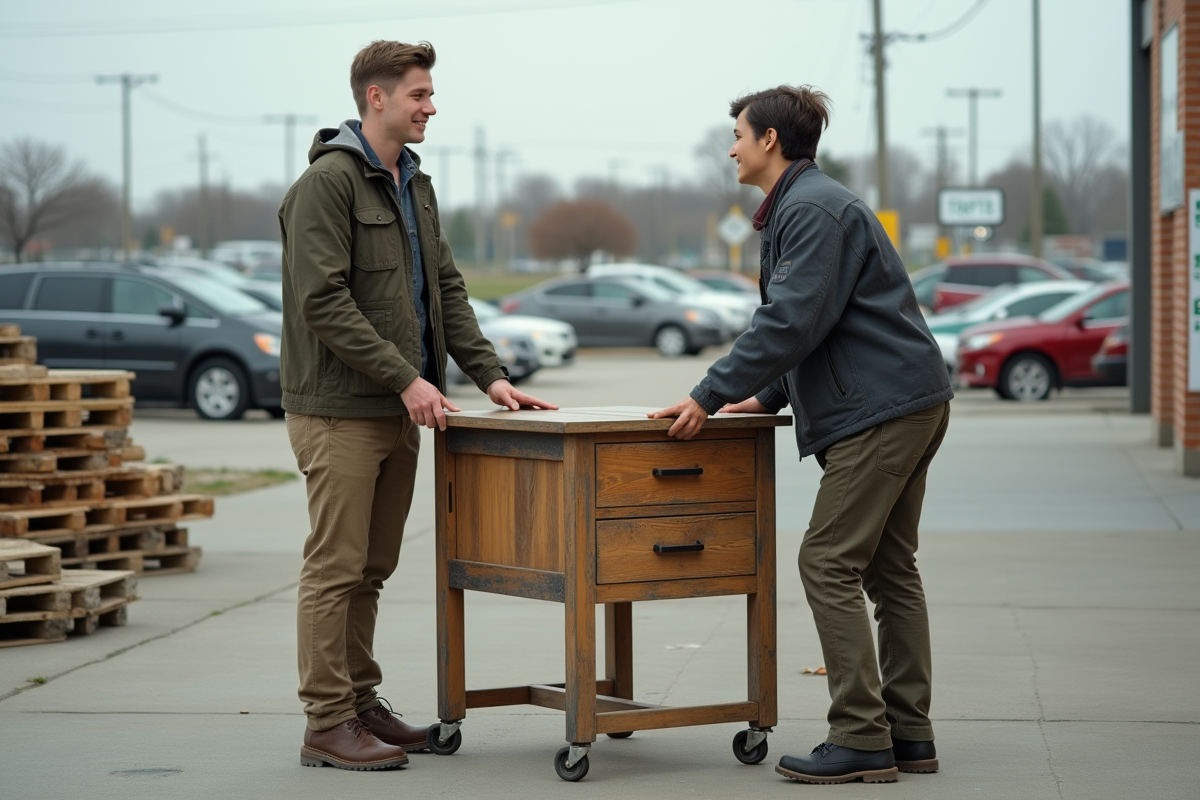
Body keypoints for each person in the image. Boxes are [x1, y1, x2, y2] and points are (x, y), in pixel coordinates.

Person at [650, 85, 952, 785]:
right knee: (888, 568)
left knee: (827, 562)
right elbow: (818, 325)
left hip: (880, 411)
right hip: (907, 400)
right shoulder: (810, 205)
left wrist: (708, 393)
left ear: (770, 142)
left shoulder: (812, 209)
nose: (731, 147)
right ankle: (908, 734)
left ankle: (861, 737)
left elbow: (789, 322)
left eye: (737, 134)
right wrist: (760, 395)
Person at [278, 39, 556, 771]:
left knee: (371, 567)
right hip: (339, 410)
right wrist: (407, 379)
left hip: (396, 413)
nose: (431, 106)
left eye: (430, 95)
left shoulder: (413, 184)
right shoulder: (328, 184)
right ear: (377, 97)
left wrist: (490, 376)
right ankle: (325, 722)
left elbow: (447, 292)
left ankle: (361, 703)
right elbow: (322, 301)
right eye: (419, 95)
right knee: (335, 568)